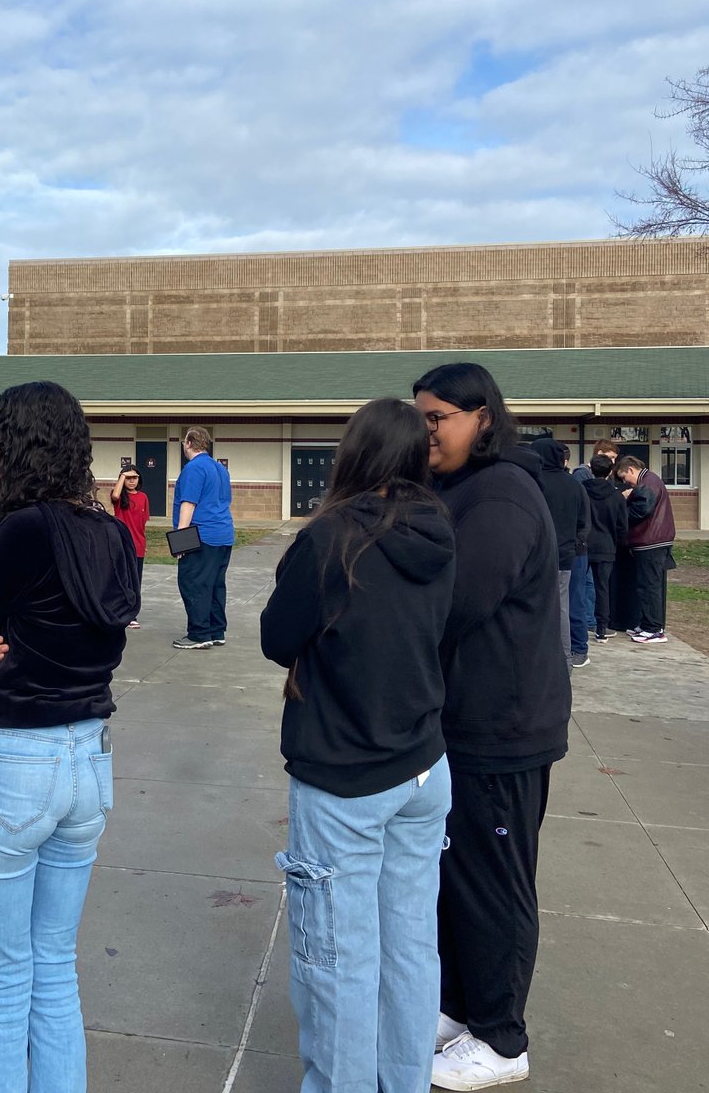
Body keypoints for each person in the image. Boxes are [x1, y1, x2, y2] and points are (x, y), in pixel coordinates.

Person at [0, 380, 139, 1093]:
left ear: (8, 449)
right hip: (88, 758)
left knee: (3, 972)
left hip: (15, 755)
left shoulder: (21, 532)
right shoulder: (110, 532)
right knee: (54, 965)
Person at [260, 398, 455, 1093]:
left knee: (337, 962)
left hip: (345, 775)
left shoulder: (332, 538)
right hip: (424, 768)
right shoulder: (439, 529)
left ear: (355, 452)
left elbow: (276, 638)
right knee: (408, 949)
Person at [412, 362, 570, 1092]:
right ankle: (460, 1007)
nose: (427, 431)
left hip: (504, 728)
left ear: (482, 416)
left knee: (496, 883)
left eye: (437, 417)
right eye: (421, 416)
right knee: (458, 877)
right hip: (461, 723)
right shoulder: (456, 488)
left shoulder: (503, 492)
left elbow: (457, 599)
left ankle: (503, 1038)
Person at [530, 438, 591, 670]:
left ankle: (536, 658)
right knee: (562, 606)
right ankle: (564, 659)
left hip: (536, 556)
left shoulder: (533, 482)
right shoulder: (574, 485)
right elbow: (584, 521)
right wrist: (574, 545)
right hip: (566, 556)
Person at [171, 427, 234, 649]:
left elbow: (189, 503)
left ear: (188, 443)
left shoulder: (194, 469)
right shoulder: (220, 469)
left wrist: (180, 539)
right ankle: (216, 630)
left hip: (201, 534)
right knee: (216, 584)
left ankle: (199, 634)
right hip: (224, 533)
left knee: (194, 582)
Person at [617, 454, 676, 644]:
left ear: (631, 470)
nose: (627, 483)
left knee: (649, 585)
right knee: (648, 585)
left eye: (625, 478)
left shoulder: (647, 484)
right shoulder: (652, 481)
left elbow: (640, 511)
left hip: (650, 542)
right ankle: (648, 624)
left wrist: (624, 504)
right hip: (655, 540)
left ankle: (653, 628)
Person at [585, 454, 629, 642]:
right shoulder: (616, 496)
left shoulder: (581, 490)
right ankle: (602, 628)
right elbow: (622, 526)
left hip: (583, 544)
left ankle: (577, 624)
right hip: (606, 545)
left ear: (591, 470)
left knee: (579, 586)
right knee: (603, 588)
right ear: (610, 472)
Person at [110, 463, 149, 628]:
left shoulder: (143, 497)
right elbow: (116, 496)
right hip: (121, 543)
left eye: (134, 477)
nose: (131, 481)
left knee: (135, 580)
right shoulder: (119, 497)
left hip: (138, 544)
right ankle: (120, 611)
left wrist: (143, 542)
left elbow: (143, 522)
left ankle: (133, 614)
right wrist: (123, 476)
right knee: (121, 578)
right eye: (128, 478)